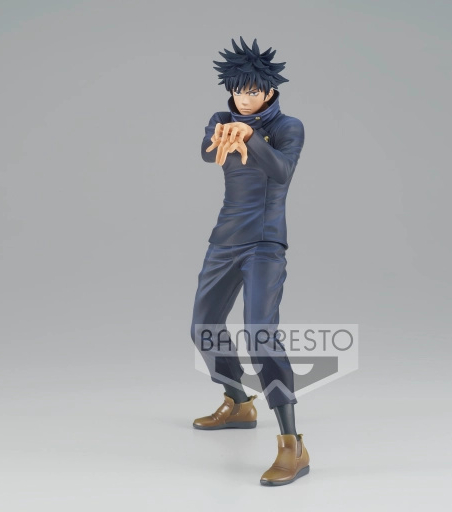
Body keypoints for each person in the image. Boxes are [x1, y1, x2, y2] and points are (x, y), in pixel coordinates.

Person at [189, 37, 309, 486]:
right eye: (238, 90)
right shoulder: (222, 120)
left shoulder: (289, 127)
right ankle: (238, 403)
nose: (244, 99)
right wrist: (228, 132)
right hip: (224, 240)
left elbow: (282, 171)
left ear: (270, 91)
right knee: (203, 328)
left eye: (253, 91)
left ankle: (292, 445)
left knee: (261, 335)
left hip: (264, 244)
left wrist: (252, 137)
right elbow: (207, 153)